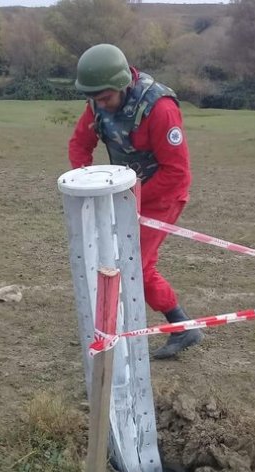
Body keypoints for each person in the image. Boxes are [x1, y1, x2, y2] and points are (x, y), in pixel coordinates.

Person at [68, 43, 203, 359]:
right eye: (94, 98)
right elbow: (79, 145)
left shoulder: (160, 108)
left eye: (106, 98)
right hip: (125, 195)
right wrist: (88, 184)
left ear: (123, 84)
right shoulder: (98, 103)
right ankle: (179, 326)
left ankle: (154, 331)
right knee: (123, 264)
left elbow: (177, 172)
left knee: (132, 268)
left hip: (163, 196)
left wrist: (131, 199)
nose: (100, 105)